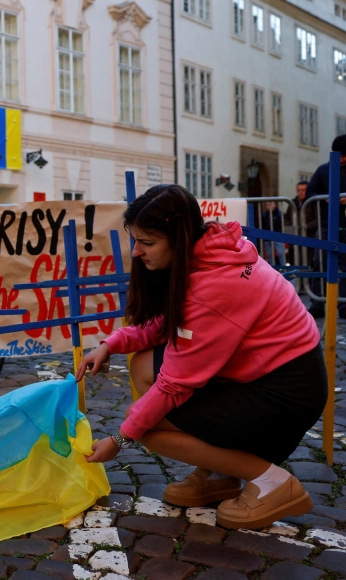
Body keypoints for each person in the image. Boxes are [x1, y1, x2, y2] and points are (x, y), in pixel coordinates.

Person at [78, 184, 324, 530]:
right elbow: (172, 321)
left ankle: (273, 482)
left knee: (149, 428)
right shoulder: (211, 251)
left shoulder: (215, 286)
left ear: (177, 239)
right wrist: (113, 343)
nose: (136, 252)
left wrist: (120, 439)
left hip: (284, 394)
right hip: (267, 376)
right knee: (144, 362)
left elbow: (174, 385)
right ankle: (220, 472)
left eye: (146, 243)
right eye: (135, 240)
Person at [304, 135, 346, 317]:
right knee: (319, 263)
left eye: (345, 156)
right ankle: (318, 303)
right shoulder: (323, 170)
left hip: (344, 224)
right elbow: (310, 192)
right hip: (326, 224)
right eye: (341, 155)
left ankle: (344, 303)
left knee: (345, 265)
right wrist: (325, 200)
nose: (343, 159)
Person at [259, 201, 284, 267]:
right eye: (267, 204)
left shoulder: (279, 214)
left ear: (275, 204)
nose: (270, 206)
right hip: (267, 238)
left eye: (271, 204)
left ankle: (284, 268)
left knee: (281, 253)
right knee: (270, 255)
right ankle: (273, 269)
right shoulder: (264, 215)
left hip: (278, 237)